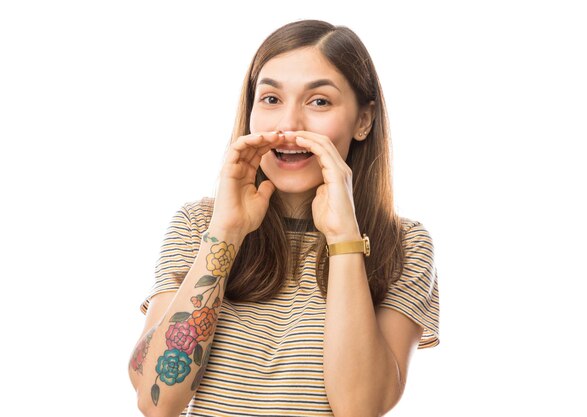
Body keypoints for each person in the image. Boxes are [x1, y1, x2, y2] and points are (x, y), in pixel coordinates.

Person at [128, 19, 439, 417]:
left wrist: (344, 238)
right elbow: (157, 400)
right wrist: (226, 233)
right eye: (271, 99)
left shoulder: (404, 243)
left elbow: (360, 408)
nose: (289, 127)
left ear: (364, 120)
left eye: (319, 102)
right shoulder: (197, 224)